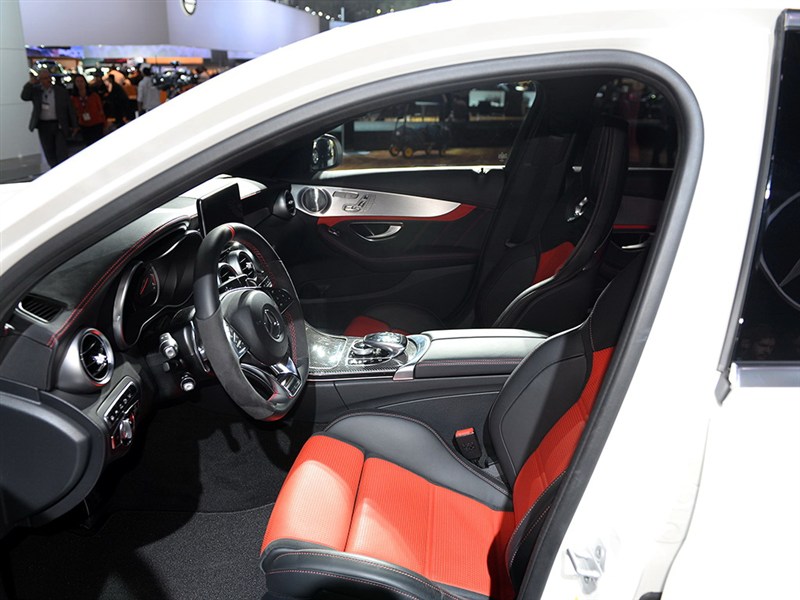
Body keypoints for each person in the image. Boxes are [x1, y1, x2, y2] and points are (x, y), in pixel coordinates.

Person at [20, 69, 77, 168]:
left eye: (48, 78)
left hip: (58, 124)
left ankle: (63, 169)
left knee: (61, 151)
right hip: (44, 125)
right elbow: (24, 97)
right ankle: (53, 169)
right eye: (44, 78)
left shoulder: (60, 91)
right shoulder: (36, 91)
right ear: (40, 80)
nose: (47, 80)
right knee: (48, 150)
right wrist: (30, 83)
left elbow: (70, 108)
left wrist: (74, 124)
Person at [70, 74, 105, 146]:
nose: (80, 84)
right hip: (84, 125)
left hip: (96, 123)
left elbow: (100, 109)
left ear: (85, 82)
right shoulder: (73, 98)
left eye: (81, 81)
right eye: (77, 82)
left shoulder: (93, 95)